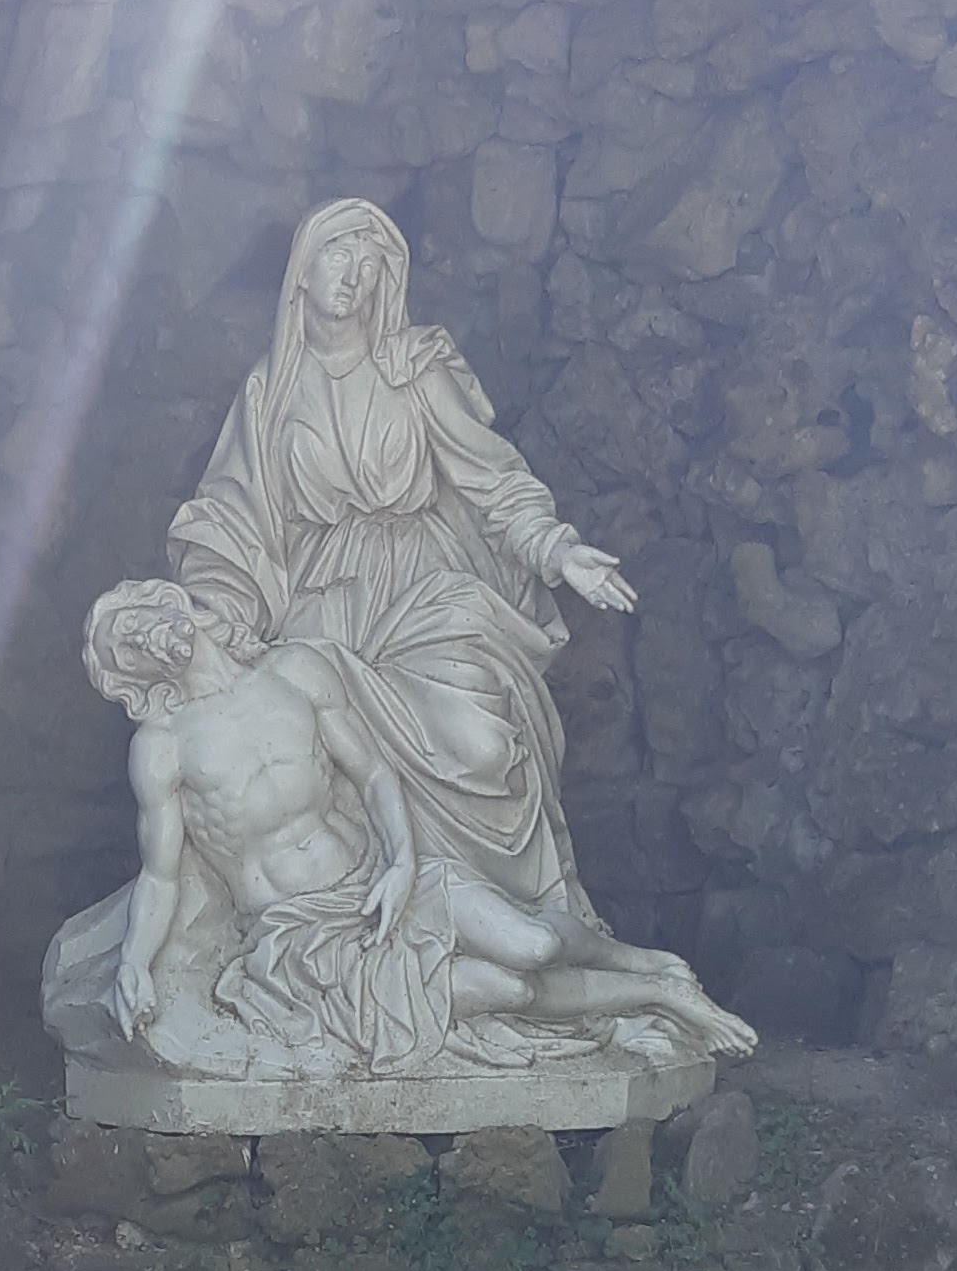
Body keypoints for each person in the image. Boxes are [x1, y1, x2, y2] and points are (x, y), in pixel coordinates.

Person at [165, 196, 638, 962]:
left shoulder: (414, 368)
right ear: (302, 270)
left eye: (369, 261)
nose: (352, 275)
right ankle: (388, 937)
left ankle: (522, 923)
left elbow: (490, 478)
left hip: (425, 588)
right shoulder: (269, 392)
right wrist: (219, 610)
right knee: (313, 750)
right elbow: (236, 515)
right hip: (321, 606)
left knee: (481, 746)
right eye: (337, 255)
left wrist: (557, 549)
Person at [79, 580, 748, 1077]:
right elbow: (162, 875)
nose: (140, 638)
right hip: (305, 937)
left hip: (379, 882)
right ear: (133, 674)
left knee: (536, 944)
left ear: (168, 603)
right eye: (125, 647)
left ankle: (647, 966)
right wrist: (134, 962)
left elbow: (373, 774)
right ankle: (662, 997)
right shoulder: (163, 746)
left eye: (135, 620)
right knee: (508, 990)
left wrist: (401, 864)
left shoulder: (295, 672)